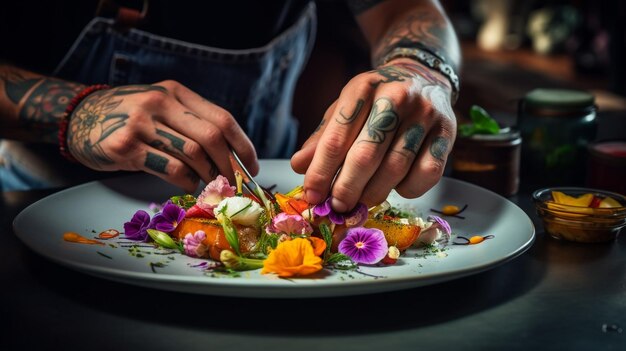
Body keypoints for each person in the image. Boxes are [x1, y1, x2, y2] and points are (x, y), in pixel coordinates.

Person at [0, 0, 460, 213]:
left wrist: (423, 70)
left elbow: (407, 9)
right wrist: (77, 110)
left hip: (276, 189)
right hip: (44, 201)